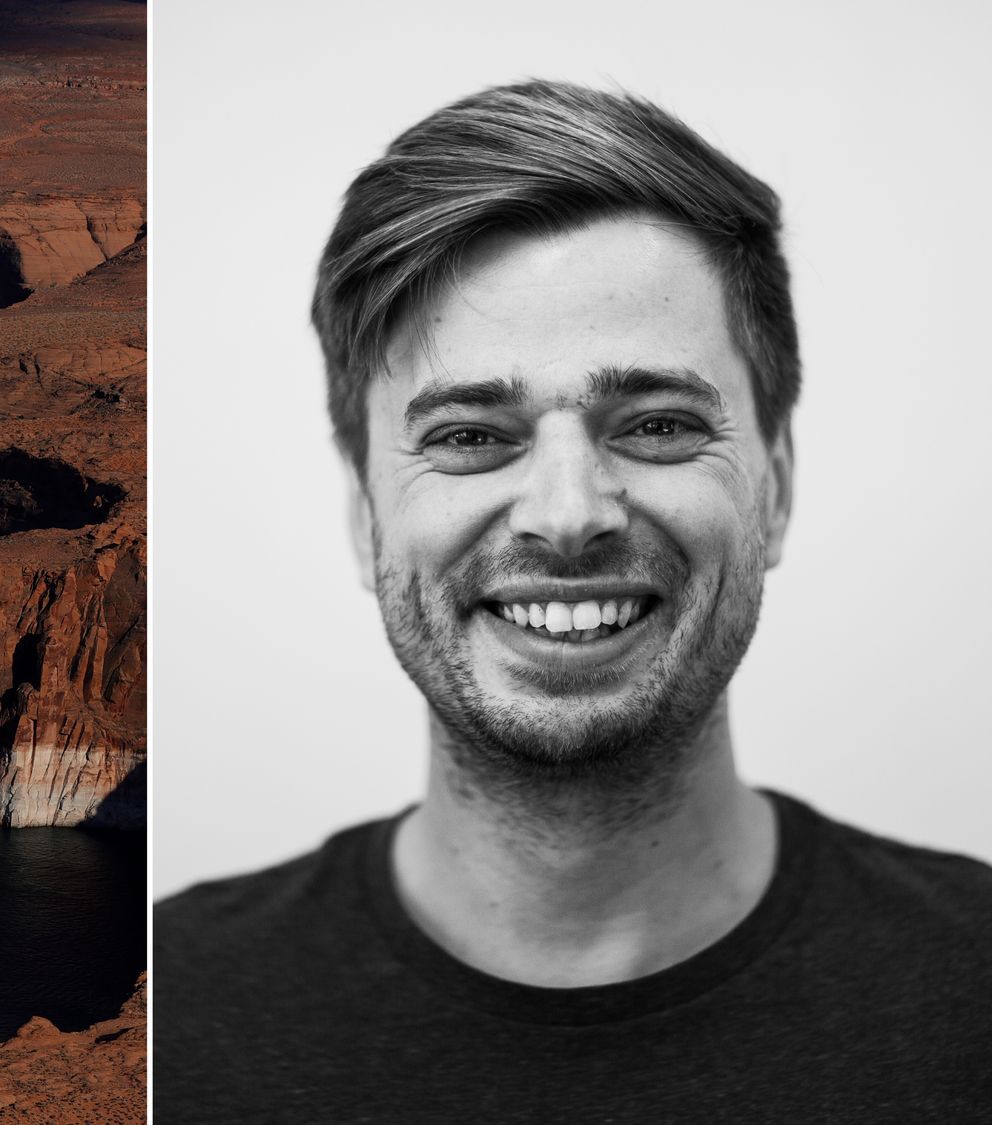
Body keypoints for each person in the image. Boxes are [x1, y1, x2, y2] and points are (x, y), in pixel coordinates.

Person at [154, 80, 992, 1121]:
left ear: (774, 489)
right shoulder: (172, 1023)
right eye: (467, 437)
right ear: (365, 518)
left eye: (654, 425)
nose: (565, 514)